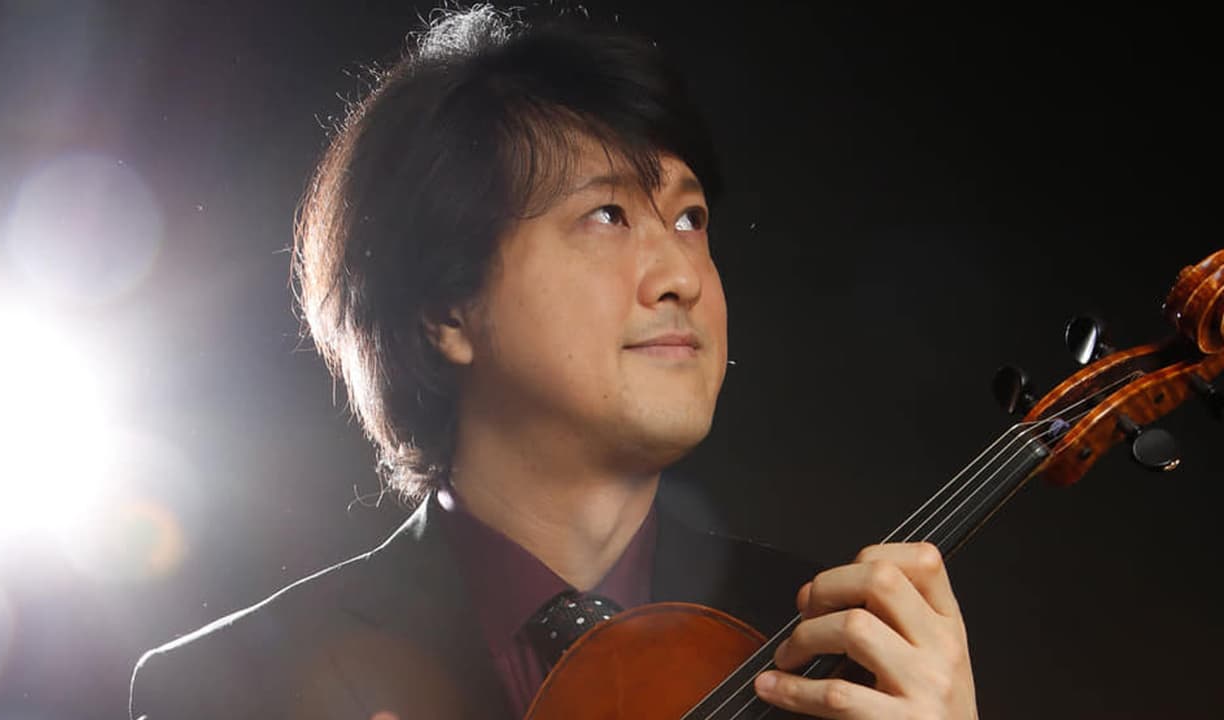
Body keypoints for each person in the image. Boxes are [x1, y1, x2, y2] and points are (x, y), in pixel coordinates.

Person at [129, 5, 979, 719]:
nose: (682, 277)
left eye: (689, 219)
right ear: (447, 310)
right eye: (608, 215)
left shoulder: (843, 647)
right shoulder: (222, 690)